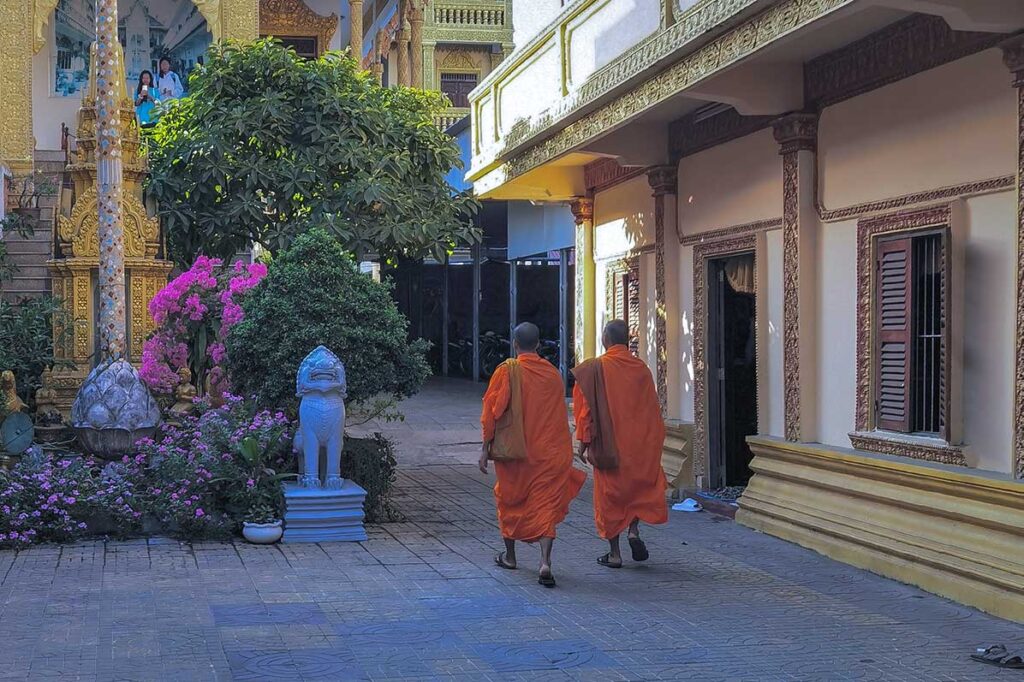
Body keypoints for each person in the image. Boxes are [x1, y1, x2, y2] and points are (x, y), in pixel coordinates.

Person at [479, 322, 585, 588]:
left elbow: (492, 410)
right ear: (538, 345)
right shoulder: (551, 373)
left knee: (509, 500)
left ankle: (511, 557)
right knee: (545, 506)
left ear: (515, 344)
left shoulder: (507, 371)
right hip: (550, 452)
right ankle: (545, 561)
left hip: (517, 452)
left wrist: (485, 448)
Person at [572, 319, 668, 568]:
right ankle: (634, 531)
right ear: (626, 340)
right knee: (637, 491)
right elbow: (652, 409)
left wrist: (583, 441)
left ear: (606, 339)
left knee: (610, 497)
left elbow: (586, 411)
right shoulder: (641, 368)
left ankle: (614, 554)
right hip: (641, 444)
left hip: (610, 445)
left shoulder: (595, 369)